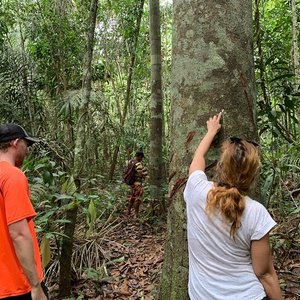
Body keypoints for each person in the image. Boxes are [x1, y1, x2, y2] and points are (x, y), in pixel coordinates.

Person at [184, 112, 282, 300]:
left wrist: (211, 131)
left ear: (220, 166)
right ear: (253, 176)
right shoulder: (257, 213)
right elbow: (265, 273)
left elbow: (197, 159)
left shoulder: (197, 191)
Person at [0, 124, 48, 300]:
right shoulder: (12, 176)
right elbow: (19, 234)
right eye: (26, 144)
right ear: (15, 142)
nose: (27, 150)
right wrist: (35, 285)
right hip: (17, 284)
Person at [127, 151, 148, 217]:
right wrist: (145, 172)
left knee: (132, 197)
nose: (141, 159)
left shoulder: (130, 162)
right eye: (141, 157)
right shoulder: (138, 164)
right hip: (137, 183)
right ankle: (136, 214)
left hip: (132, 183)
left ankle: (128, 212)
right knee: (138, 198)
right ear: (139, 157)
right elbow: (141, 174)